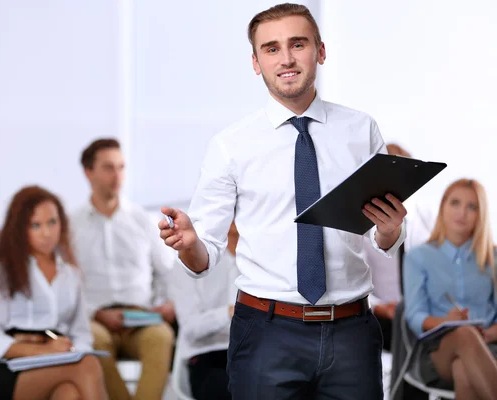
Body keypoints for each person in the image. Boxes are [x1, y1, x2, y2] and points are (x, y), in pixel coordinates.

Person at [157, 3, 407, 399]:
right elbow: (205, 254)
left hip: (352, 332)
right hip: (265, 333)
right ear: (256, 63)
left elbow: (383, 235)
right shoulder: (230, 146)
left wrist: (392, 231)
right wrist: (190, 246)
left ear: (320, 51)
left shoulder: (361, 129)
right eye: (271, 49)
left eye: (298, 44)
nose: (286, 59)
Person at [0, 186, 108, 400]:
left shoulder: (71, 273)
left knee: (69, 394)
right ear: (20, 230)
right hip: (11, 371)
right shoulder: (2, 272)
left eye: (52, 222)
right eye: (36, 225)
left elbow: (81, 333)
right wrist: (46, 351)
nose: (47, 233)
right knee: (87, 365)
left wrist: (70, 349)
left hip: (59, 360)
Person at [71, 138, 175, 400]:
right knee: (93, 341)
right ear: (88, 172)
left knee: (161, 337)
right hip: (95, 319)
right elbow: (65, 285)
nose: (117, 175)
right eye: (108, 167)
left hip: (141, 318)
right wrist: (95, 313)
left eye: (121, 167)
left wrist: (166, 305)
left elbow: (168, 272)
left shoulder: (143, 220)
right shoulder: (71, 226)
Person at [404, 179, 497, 399]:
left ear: (480, 215)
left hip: (489, 348)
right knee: (463, 333)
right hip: (437, 352)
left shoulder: (492, 259)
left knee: (464, 371)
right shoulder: (418, 257)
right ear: (443, 206)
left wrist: (486, 334)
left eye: (472, 207)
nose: (462, 212)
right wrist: (446, 322)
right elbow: (415, 317)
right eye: (455, 203)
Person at [365, 143, 436, 351]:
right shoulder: (361, 223)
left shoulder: (430, 216)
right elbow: (353, 275)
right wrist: (379, 307)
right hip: (382, 317)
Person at [168, 222, 239, 400]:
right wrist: (230, 312)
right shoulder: (188, 258)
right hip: (209, 356)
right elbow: (190, 328)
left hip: (257, 355)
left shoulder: (263, 258)